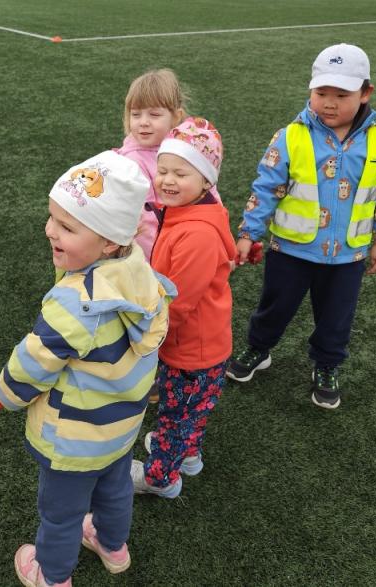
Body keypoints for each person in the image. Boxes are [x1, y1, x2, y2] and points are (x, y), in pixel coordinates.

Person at [0, 151, 175, 587]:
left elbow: (32, 363)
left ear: (109, 242)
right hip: (120, 426)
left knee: (61, 513)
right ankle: (113, 547)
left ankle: (52, 576)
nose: (49, 230)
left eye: (67, 226)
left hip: (74, 437)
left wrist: (6, 394)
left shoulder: (74, 303)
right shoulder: (141, 273)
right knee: (115, 489)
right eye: (52, 217)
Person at [226, 43, 376, 410]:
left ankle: (326, 365)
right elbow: (266, 188)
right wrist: (248, 233)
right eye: (322, 93)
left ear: (365, 93)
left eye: (342, 95)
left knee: (336, 319)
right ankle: (259, 348)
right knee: (274, 307)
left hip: (348, 256)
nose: (329, 103)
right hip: (290, 250)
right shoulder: (291, 136)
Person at [131, 117, 235, 498]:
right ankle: (188, 455)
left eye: (181, 173)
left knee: (176, 416)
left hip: (191, 349)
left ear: (207, 181)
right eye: (163, 171)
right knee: (193, 409)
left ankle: (160, 478)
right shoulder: (186, 213)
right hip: (200, 345)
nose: (168, 180)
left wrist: (148, 336)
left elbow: (179, 302)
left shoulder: (196, 234)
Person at [114, 68, 223, 263]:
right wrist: (160, 263)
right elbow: (146, 222)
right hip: (159, 257)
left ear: (176, 117)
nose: (143, 122)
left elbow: (211, 196)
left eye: (154, 114)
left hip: (189, 239)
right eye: (136, 114)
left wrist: (221, 239)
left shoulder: (189, 146)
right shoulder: (133, 162)